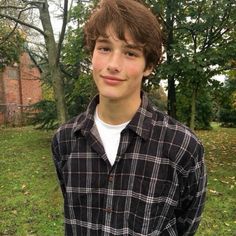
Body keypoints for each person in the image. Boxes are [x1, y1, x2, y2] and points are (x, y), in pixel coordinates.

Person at [51, 0, 207, 235]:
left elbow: (186, 224)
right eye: (104, 48)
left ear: (149, 66)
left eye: (130, 53)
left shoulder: (182, 147)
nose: (113, 65)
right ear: (91, 54)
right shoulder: (65, 140)